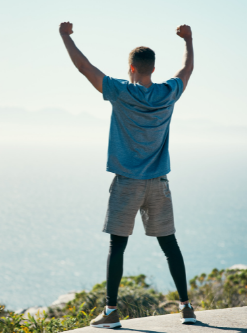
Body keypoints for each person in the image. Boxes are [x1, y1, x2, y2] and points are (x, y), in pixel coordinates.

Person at [59, 22, 195, 328]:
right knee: (170, 245)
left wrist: (65, 36)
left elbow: (84, 67)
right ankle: (187, 308)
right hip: (159, 183)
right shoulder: (168, 93)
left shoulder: (120, 91)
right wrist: (188, 39)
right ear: (153, 68)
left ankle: (111, 312)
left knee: (117, 247)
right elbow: (187, 69)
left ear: (131, 67)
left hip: (127, 184)